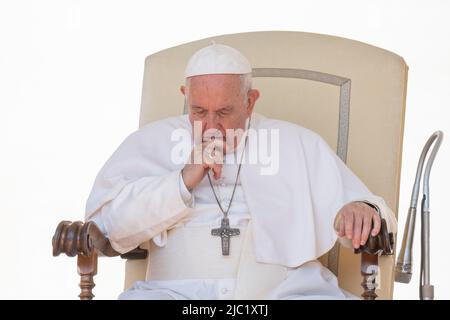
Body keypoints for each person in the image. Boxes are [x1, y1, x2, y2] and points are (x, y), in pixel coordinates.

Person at [85, 43, 397, 299]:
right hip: (172, 293)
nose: (210, 125)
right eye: (198, 111)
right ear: (185, 96)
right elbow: (108, 224)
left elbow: (363, 205)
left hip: (286, 292)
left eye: (224, 112)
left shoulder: (295, 141)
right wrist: (182, 181)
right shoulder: (150, 142)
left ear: (250, 101)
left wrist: (361, 209)